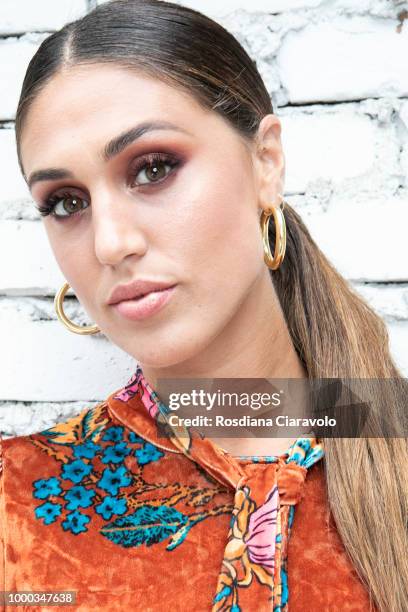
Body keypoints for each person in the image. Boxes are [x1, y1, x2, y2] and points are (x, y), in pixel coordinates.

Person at [0, 0, 406, 610]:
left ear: (265, 161)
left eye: (153, 168)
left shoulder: (388, 441)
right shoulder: (15, 501)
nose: (111, 244)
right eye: (66, 202)